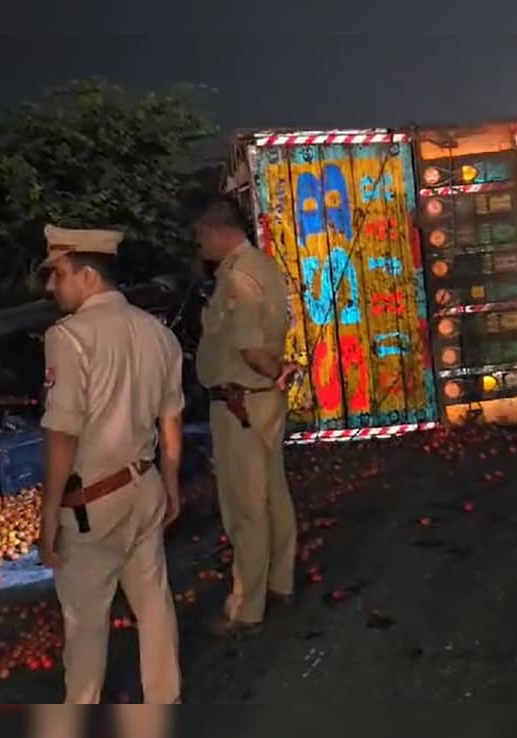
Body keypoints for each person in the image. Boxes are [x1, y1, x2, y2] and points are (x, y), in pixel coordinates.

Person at [37, 224, 182, 704]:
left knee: (85, 622)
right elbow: (171, 421)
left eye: (57, 274)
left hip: (92, 503)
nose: (50, 286)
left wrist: (48, 515)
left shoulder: (69, 337)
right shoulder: (158, 334)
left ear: (88, 276)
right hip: (145, 486)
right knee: (154, 605)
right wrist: (174, 488)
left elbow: (62, 434)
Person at [192, 197, 298, 638]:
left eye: (199, 237)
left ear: (219, 231)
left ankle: (246, 608)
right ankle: (280, 582)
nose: (198, 246)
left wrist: (278, 372)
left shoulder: (236, 277)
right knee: (274, 496)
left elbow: (252, 350)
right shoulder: (264, 265)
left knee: (246, 509)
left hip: (241, 405)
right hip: (260, 404)